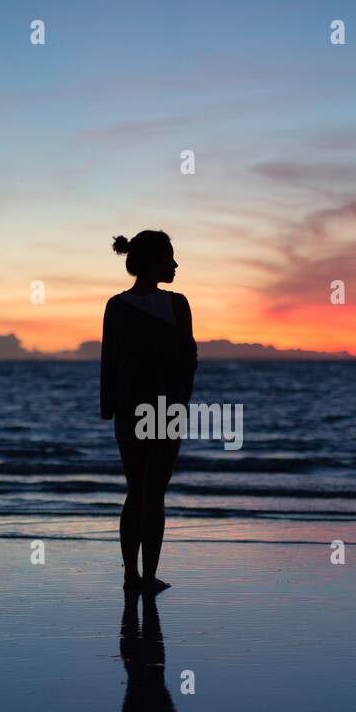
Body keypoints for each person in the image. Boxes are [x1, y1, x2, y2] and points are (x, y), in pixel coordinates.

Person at [100, 229, 197, 593]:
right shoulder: (176, 303)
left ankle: (132, 576)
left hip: (129, 407)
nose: (174, 264)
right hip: (164, 409)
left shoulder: (116, 305)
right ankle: (145, 576)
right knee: (153, 492)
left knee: (136, 491)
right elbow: (189, 359)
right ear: (153, 261)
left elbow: (108, 361)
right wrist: (182, 401)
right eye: (169, 257)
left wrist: (107, 405)